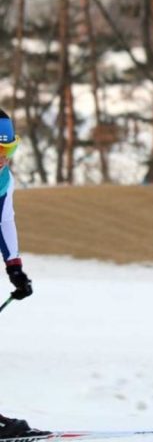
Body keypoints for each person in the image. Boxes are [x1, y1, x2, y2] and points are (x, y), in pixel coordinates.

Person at [0, 110, 50, 441]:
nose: (2, 159)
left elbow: (4, 221)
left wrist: (14, 266)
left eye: (8, 151)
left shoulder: (4, 180)